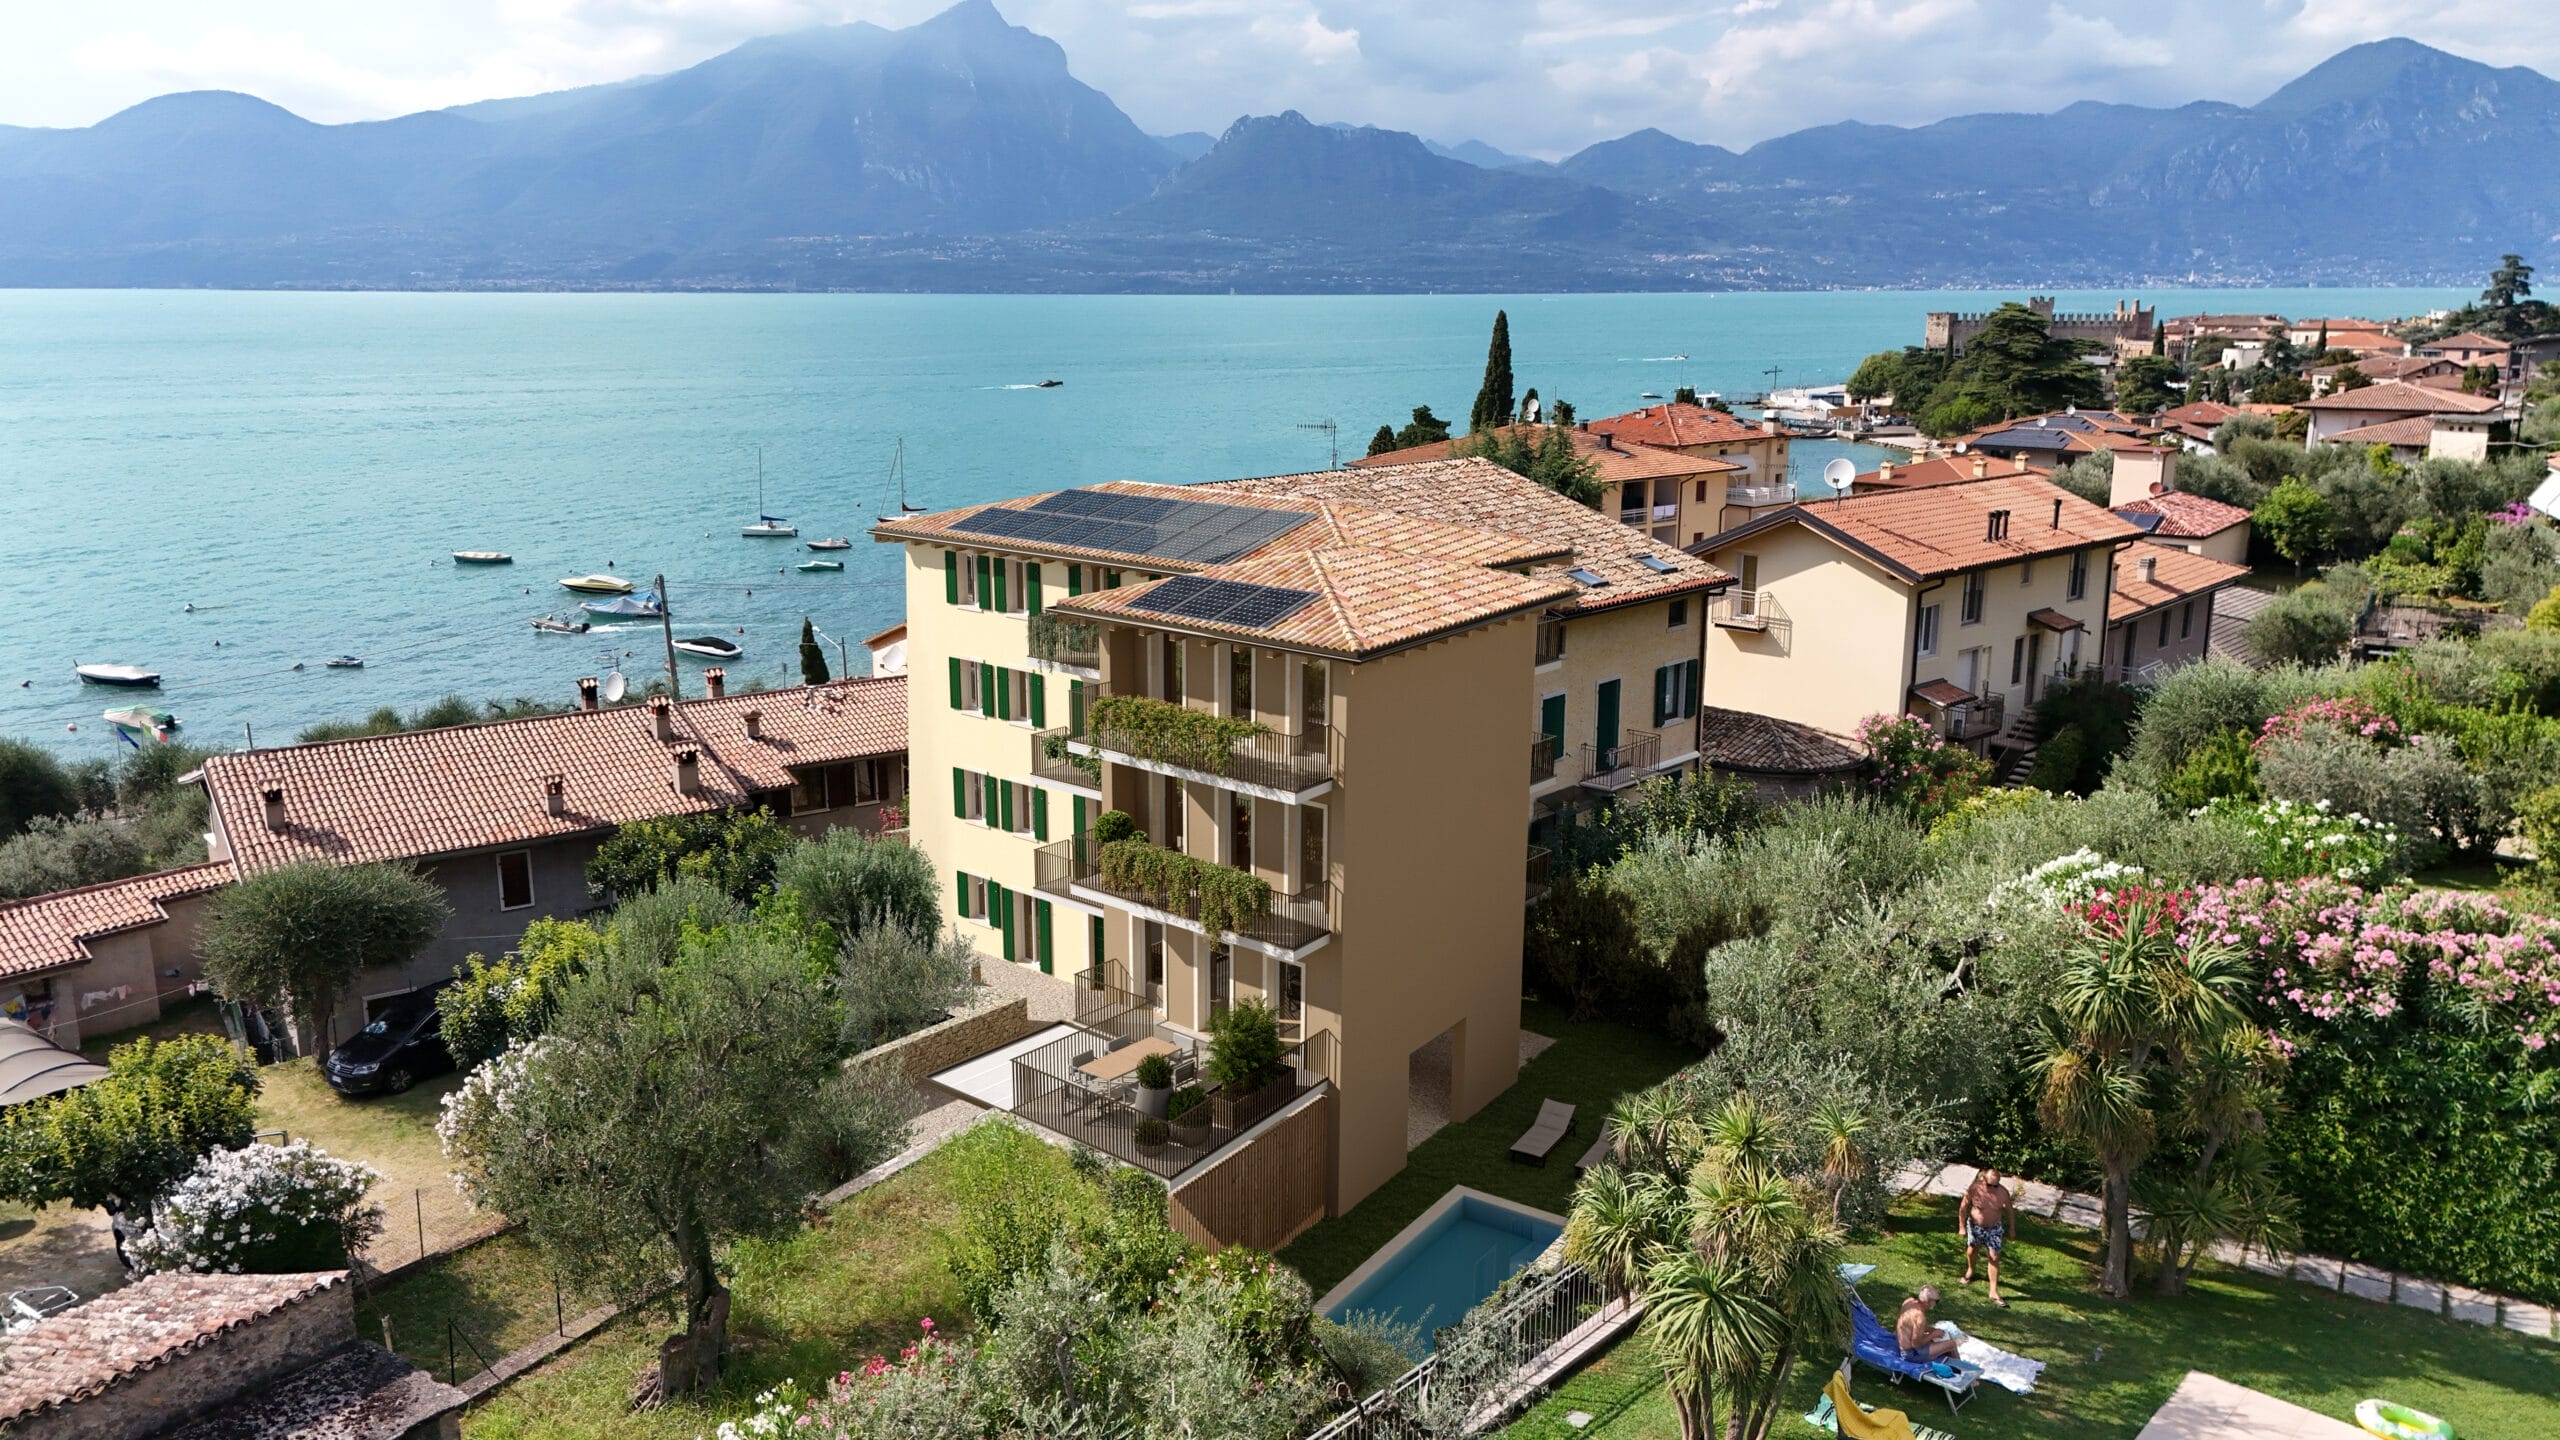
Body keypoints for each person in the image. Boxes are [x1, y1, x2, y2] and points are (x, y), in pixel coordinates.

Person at [1960, 1165, 2017, 1307]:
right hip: (1975, 1226)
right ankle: (1970, 1270)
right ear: (1983, 1179)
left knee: (1994, 1256)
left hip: (1994, 1228)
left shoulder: (2003, 1193)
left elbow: (2009, 1211)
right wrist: (1961, 1227)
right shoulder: (1975, 1188)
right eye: (1989, 1185)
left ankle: (1993, 1291)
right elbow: (1963, 1207)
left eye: (1995, 1185)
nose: (1992, 1188)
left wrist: (2012, 1229)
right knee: (1972, 1250)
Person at [1896, 1287, 1963, 1362]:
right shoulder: (1920, 1317)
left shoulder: (1909, 1302)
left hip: (1903, 1345)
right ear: (1927, 1302)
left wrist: (1932, 1330)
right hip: (1911, 1354)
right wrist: (1933, 1335)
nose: (1936, 1304)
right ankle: (1961, 1369)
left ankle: (1954, 1365)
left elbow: (1912, 1325)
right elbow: (1915, 1344)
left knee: (1945, 1339)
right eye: (1936, 1301)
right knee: (1953, 1344)